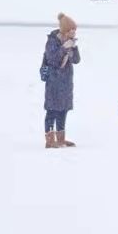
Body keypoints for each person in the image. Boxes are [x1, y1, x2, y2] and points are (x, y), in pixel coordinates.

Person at [41, 13, 81, 148]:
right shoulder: (52, 41)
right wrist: (63, 48)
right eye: (71, 30)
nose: (73, 32)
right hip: (54, 81)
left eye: (74, 29)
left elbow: (76, 60)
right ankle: (50, 139)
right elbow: (53, 60)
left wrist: (73, 48)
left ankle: (61, 138)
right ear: (64, 30)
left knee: (63, 110)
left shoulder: (71, 42)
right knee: (52, 110)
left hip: (66, 82)